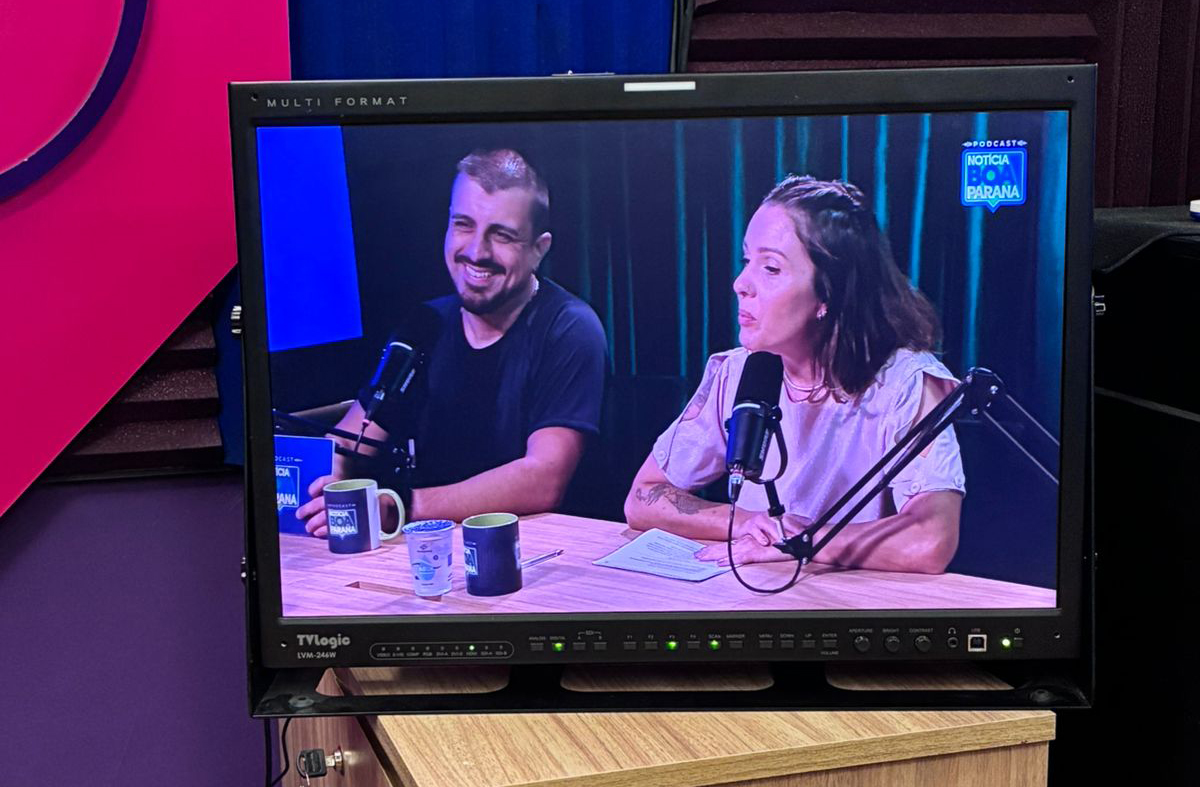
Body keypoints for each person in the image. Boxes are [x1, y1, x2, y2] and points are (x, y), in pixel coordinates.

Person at [623, 175, 964, 574]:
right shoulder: (738, 372)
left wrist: (804, 539)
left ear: (828, 293)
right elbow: (644, 496)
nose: (740, 284)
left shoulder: (909, 383)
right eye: (746, 261)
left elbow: (930, 539)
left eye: (770, 268)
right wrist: (749, 523)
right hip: (751, 592)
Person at [298, 148, 607, 534]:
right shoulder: (424, 324)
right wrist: (332, 474)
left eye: (502, 235)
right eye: (463, 225)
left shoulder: (570, 328)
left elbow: (544, 478)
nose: (477, 251)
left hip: (532, 551)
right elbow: (351, 439)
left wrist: (401, 506)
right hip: (425, 548)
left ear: (538, 250)